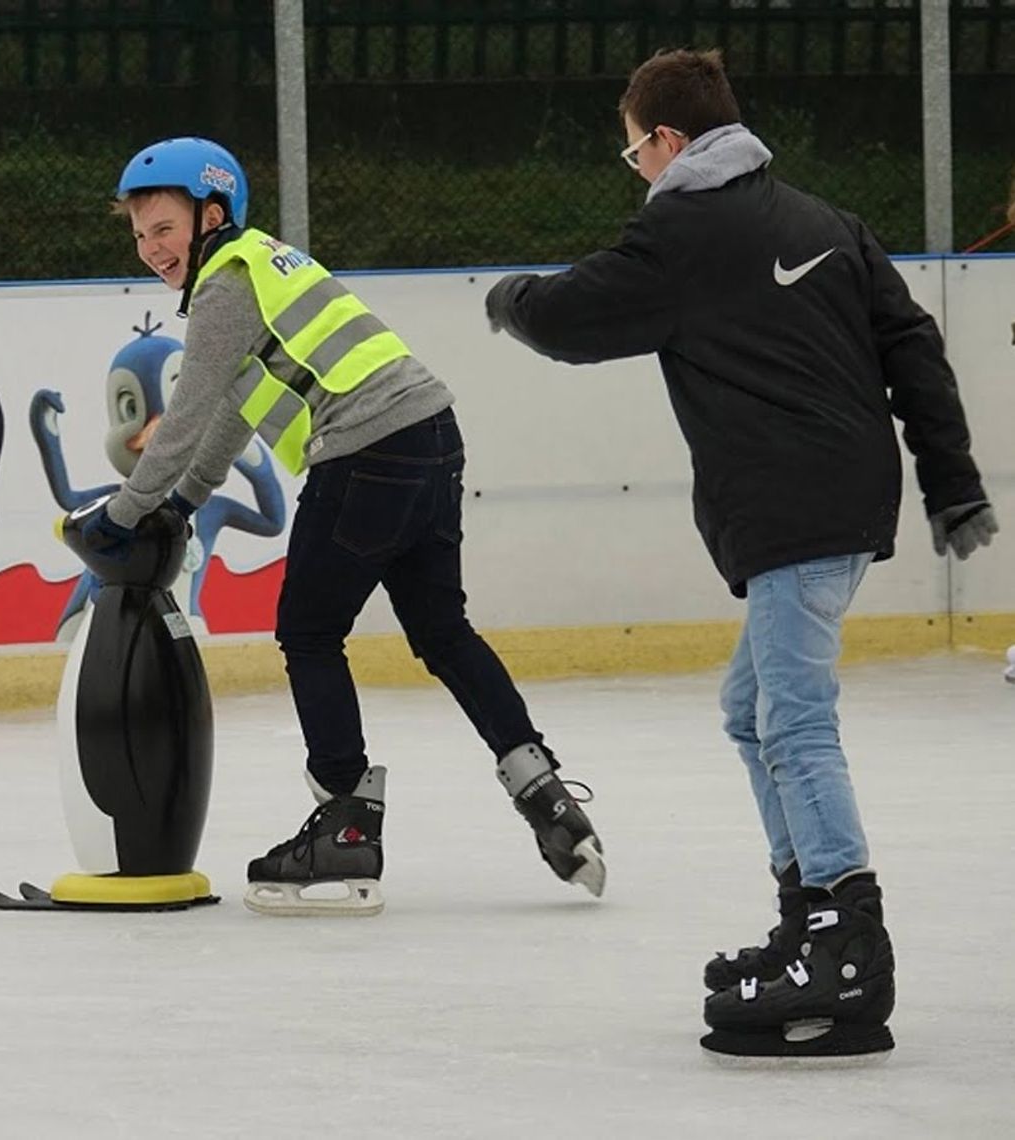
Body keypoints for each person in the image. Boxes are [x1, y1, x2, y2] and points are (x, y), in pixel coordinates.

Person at [484, 48, 996, 1059]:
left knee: (794, 721)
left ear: (669, 141)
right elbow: (913, 345)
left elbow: (576, 317)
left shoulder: (684, 228)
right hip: (840, 502)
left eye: (634, 153)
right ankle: (808, 918)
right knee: (749, 708)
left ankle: (848, 945)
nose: (637, 171)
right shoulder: (821, 220)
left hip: (792, 509)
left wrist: (511, 300)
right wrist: (952, 482)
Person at [78, 136, 605, 916]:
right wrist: (183, 504)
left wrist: (120, 518)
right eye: (139, 235)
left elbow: (183, 420)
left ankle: (347, 826)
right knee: (442, 630)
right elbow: (228, 414)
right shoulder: (265, 269)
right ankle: (544, 792)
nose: (150, 249)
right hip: (432, 434)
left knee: (310, 631)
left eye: (162, 228)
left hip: (367, 451)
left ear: (211, 214)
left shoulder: (227, 283)